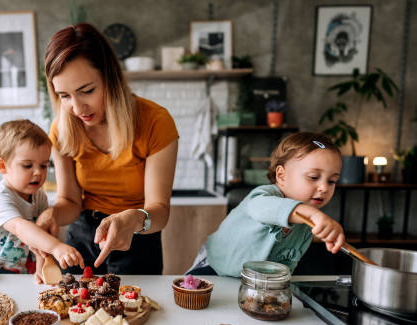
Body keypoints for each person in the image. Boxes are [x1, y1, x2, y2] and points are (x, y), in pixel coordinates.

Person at [35, 23, 179, 275]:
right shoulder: (62, 128)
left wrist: (132, 219)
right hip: (81, 242)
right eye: (64, 96)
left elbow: (160, 211)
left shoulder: (156, 121)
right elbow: (70, 201)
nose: (77, 109)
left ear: (110, 78)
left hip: (137, 238)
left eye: (87, 91)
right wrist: (52, 215)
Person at [190, 132, 345, 277]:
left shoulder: (306, 226)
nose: (324, 188)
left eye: (332, 181)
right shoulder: (264, 196)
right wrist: (314, 215)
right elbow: (262, 209)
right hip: (212, 269)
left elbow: (287, 264)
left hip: (247, 283)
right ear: (281, 175)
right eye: (313, 177)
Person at [0, 119, 84, 281]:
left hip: (21, 274)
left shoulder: (39, 196)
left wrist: (40, 270)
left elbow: (40, 234)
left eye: (44, 165)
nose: (38, 172)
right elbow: (20, 228)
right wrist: (56, 247)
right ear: (2, 166)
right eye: (27, 165)